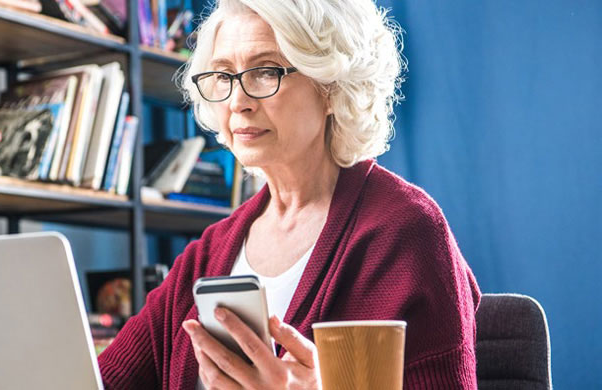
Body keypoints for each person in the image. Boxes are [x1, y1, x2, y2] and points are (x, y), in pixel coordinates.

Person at [98, 0, 481, 388]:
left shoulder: (407, 229)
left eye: (264, 71)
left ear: (332, 87)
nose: (237, 102)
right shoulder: (209, 254)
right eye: (225, 75)